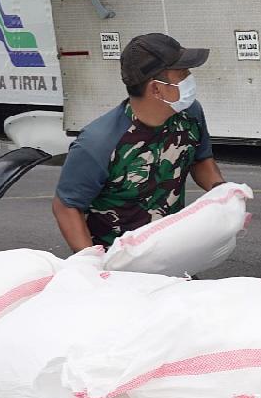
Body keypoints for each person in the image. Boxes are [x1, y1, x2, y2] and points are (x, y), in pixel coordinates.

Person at [52, 33, 227, 250]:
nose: (190, 77)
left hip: (169, 250)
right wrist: (93, 266)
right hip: (120, 263)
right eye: (182, 73)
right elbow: (67, 206)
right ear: (156, 88)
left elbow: (200, 159)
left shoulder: (190, 114)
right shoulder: (98, 143)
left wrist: (223, 193)